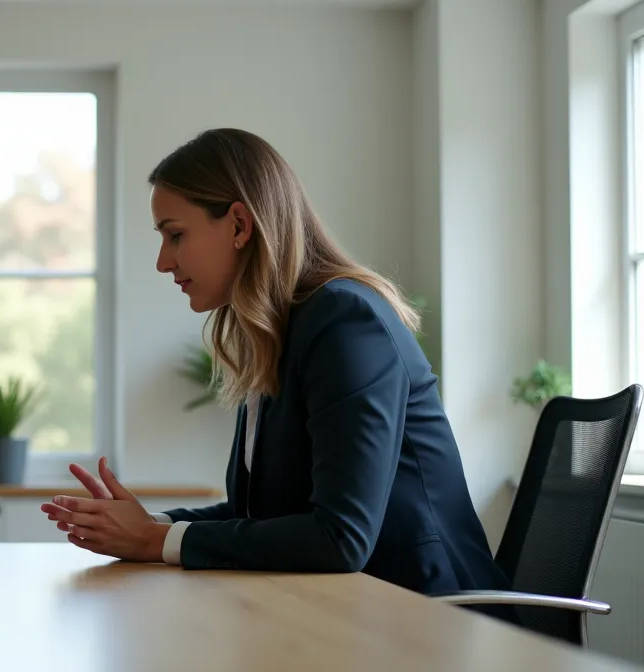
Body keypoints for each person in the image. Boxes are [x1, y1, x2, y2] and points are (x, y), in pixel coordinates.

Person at [41, 128, 509, 598]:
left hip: (434, 619)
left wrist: (154, 539)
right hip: (353, 611)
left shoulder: (346, 321)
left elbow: (340, 538)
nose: (164, 261)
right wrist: (146, 527)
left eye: (176, 235)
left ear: (240, 225)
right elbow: (261, 517)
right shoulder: (277, 332)